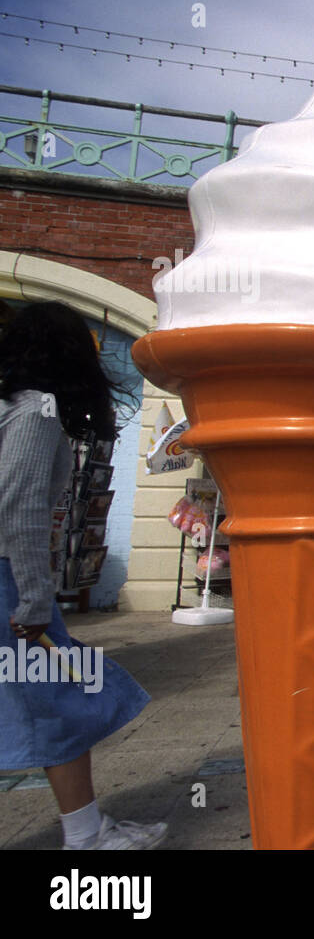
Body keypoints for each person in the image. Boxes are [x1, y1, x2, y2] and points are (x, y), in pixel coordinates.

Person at [0, 301, 167, 848]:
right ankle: (86, 835)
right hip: (8, 580)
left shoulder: (11, 406)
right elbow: (19, 509)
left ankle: (88, 828)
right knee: (59, 700)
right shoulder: (38, 411)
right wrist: (33, 598)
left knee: (49, 699)